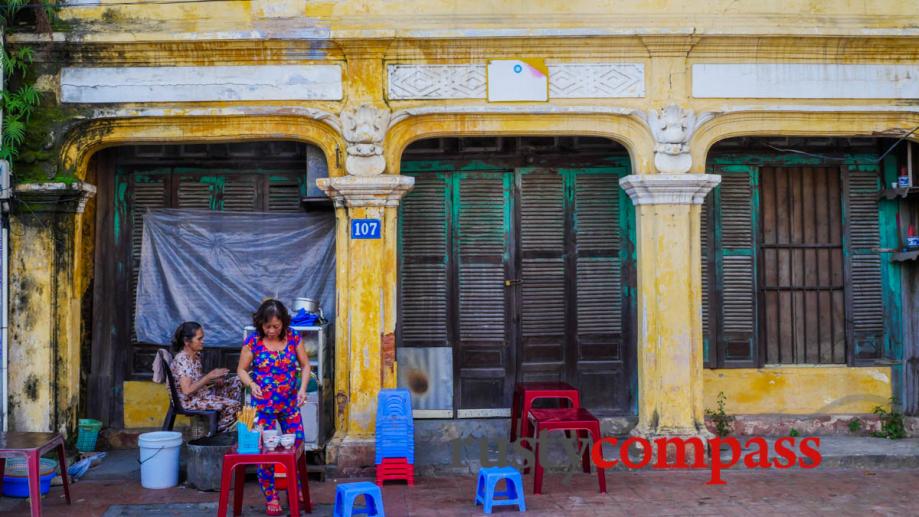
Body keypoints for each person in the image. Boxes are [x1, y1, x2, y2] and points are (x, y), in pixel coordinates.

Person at [237, 299, 311, 516]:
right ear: (260, 323)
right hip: (263, 407)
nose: (270, 330)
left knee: (296, 447)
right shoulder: (253, 343)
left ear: (283, 324)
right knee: (266, 453)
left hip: (290, 405)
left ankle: (295, 488)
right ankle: (271, 496)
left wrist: (303, 389)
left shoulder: (293, 337)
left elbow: (305, 365)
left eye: (275, 326)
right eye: (266, 326)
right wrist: (251, 384)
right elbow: (241, 369)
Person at [169, 321, 242, 432]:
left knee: (237, 380)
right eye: (199, 339)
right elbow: (187, 390)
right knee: (234, 405)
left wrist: (214, 379)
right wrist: (208, 377)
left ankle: (223, 420)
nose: (203, 341)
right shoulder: (183, 360)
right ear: (187, 341)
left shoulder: (195, 355)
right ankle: (220, 433)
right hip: (190, 401)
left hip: (201, 394)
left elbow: (196, 378)